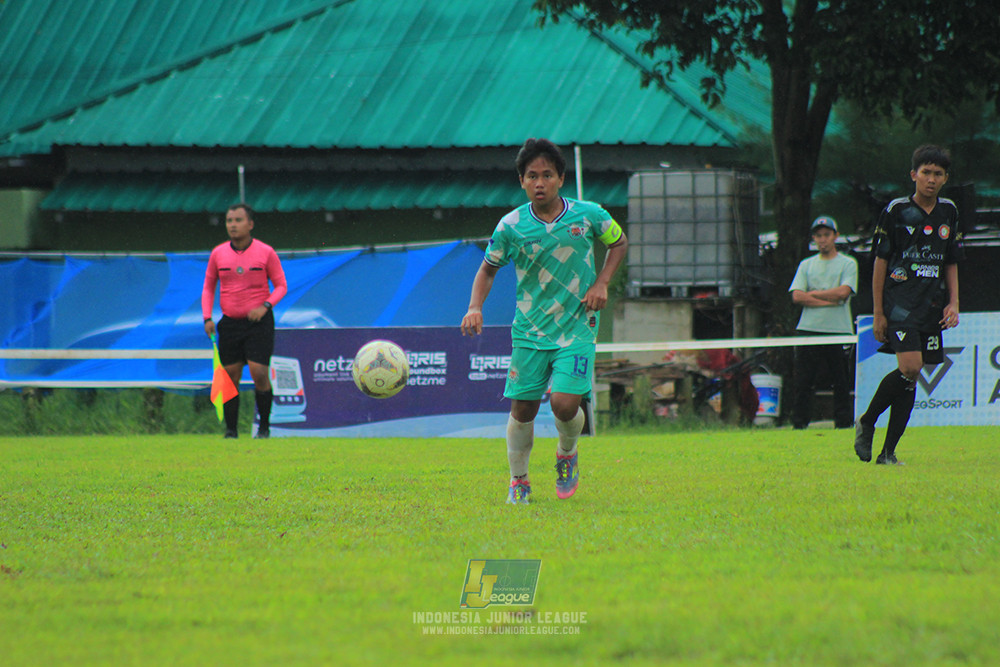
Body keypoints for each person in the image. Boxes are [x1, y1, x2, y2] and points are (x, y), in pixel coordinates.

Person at [461, 138, 628, 504]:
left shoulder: (590, 215)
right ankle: (519, 480)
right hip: (530, 331)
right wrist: (475, 306)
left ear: (561, 178)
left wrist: (601, 282)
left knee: (565, 404)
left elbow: (619, 243)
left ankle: (567, 453)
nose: (540, 182)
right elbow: (487, 270)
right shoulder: (511, 226)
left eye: (547, 175)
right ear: (521, 181)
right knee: (523, 409)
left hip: (577, 326)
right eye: (532, 176)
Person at [855, 145, 963, 464]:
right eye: (925, 172)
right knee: (911, 367)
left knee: (910, 376)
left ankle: (888, 453)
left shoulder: (949, 212)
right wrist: (878, 312)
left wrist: (954, 303)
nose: (931, 179)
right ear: (913, 175)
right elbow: (880, 261)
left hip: (930, 305)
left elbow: (952, 260)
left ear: (945, 178)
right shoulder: (897, 210)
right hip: (899, 303)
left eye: (937, 174)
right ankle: (868, 420)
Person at [202, 203, 288, 439]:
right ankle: (231, 431)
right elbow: (209, 287)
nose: (233, 225)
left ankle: (264, 429)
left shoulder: (266, 252)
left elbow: (281, 286)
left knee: (259, 372)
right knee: (230, 376)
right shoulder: (218, 253)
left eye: (238, 220)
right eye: (229, 221)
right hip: (230, 323)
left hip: (258, 323)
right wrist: (207, 317)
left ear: (250, 224)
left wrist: (265, 306)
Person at [788, 216, 858, 430]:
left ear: (835, 236)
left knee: (841, 381)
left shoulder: (848, 263)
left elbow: (844, 293)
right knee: (803, 382)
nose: (822, 240)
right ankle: (799, 424)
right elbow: (797, 296)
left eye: (826, 235)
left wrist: (815, 295)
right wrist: (828, 300)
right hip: (808, 329)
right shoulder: (806, 265)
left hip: (839, 330)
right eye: (818, 236)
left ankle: (843, 424)